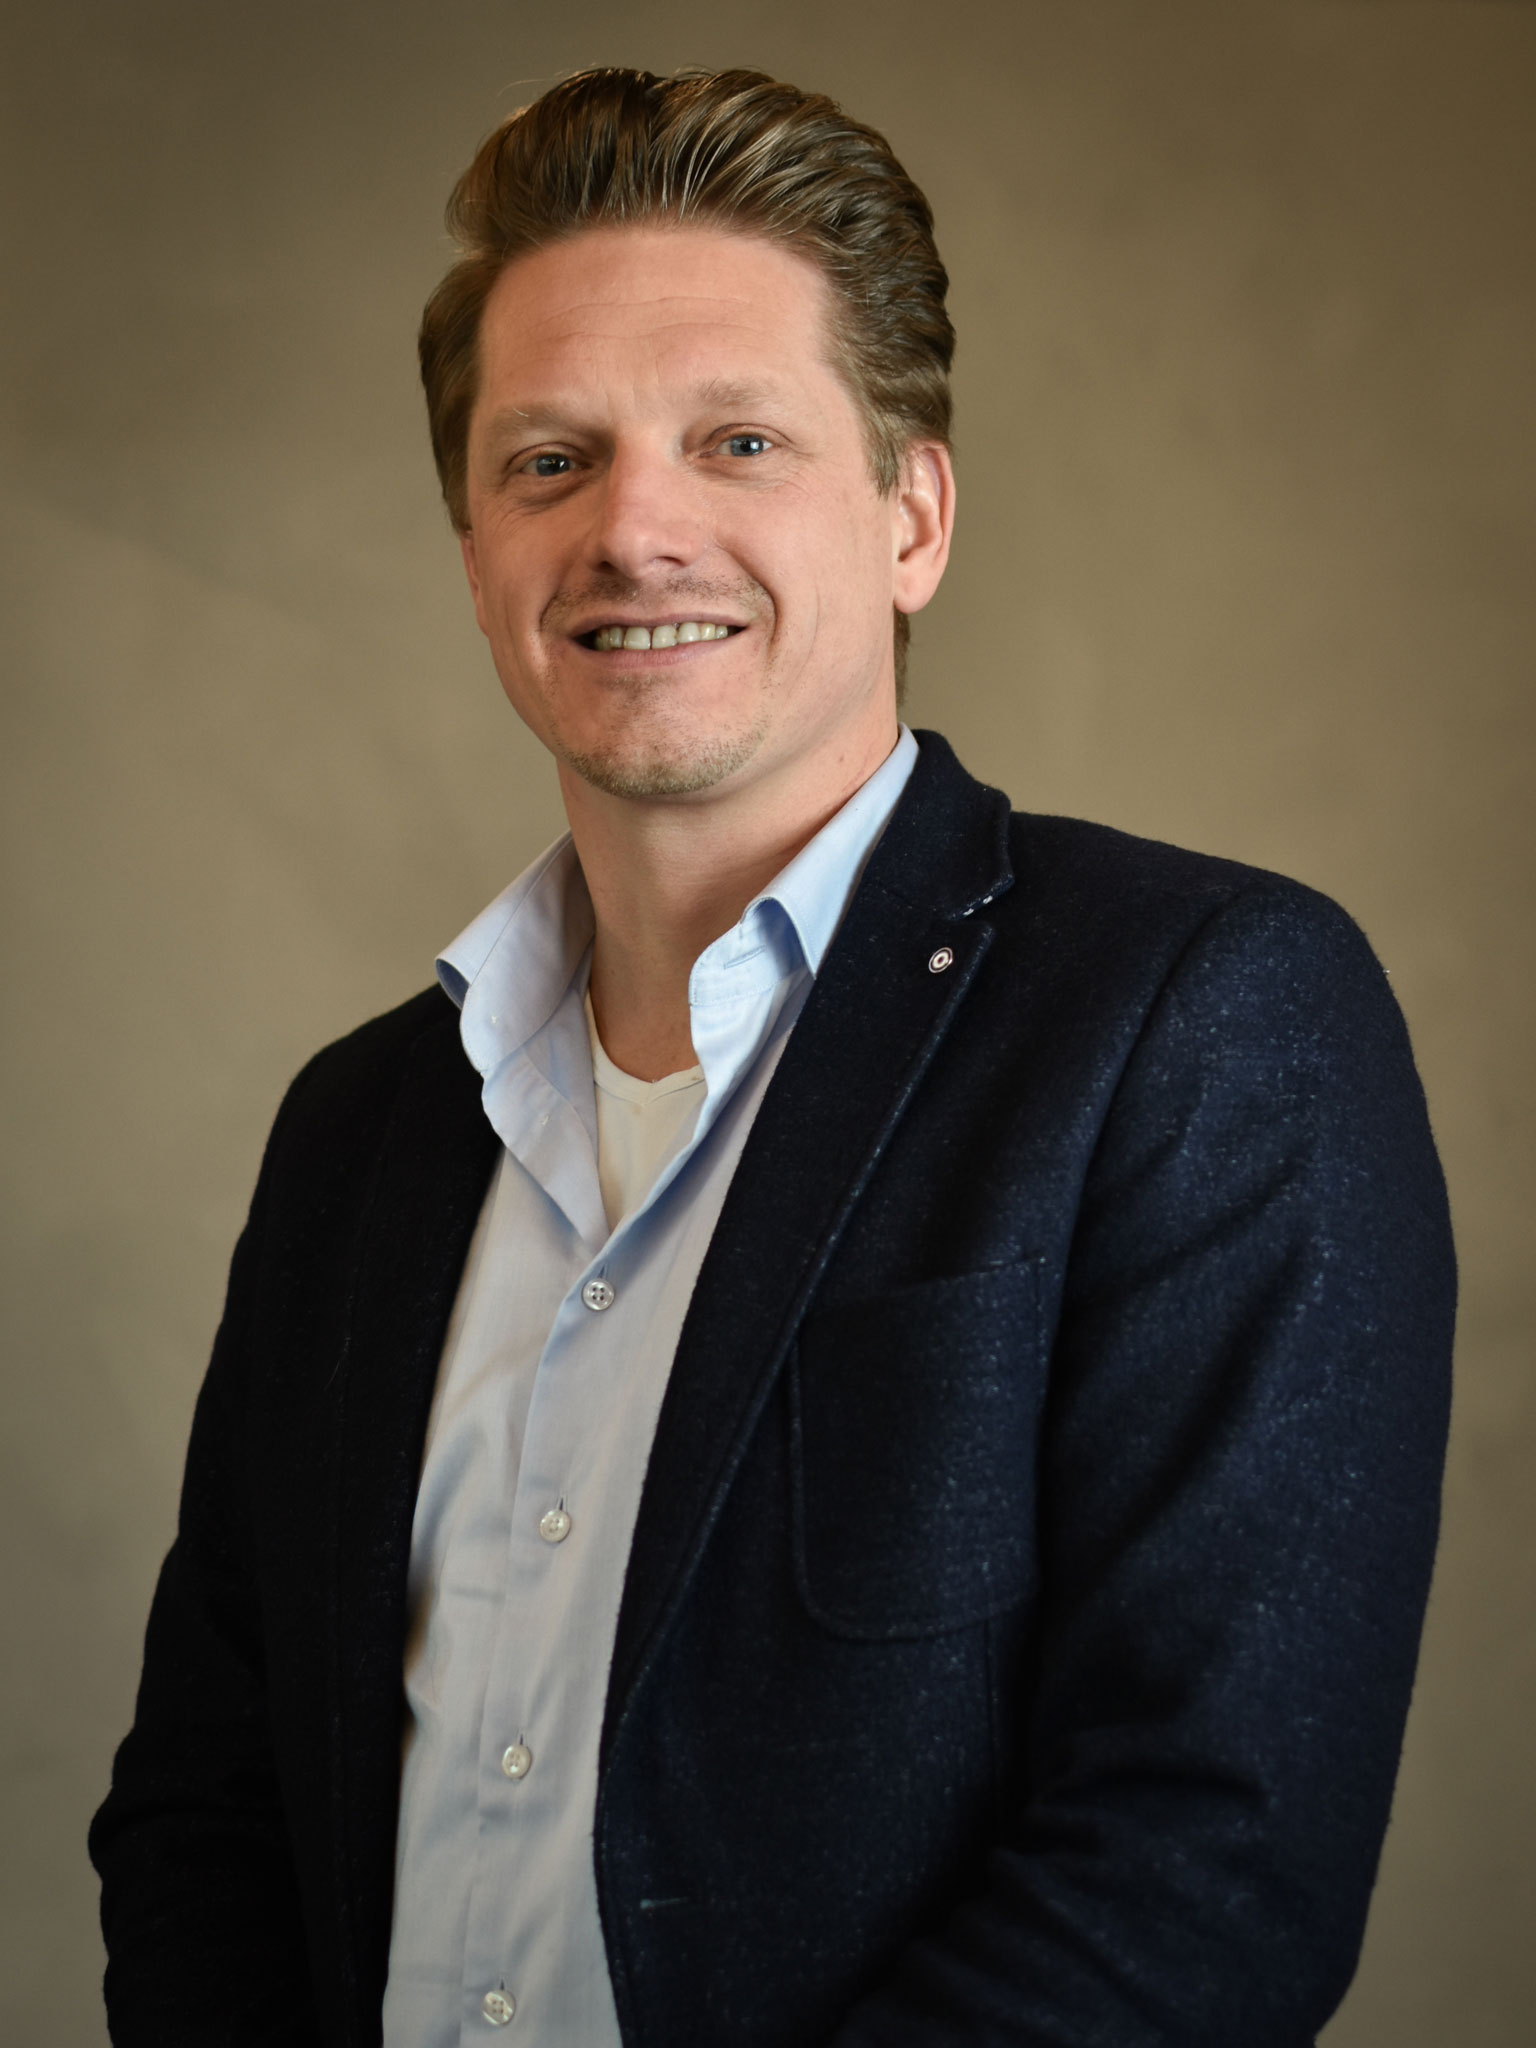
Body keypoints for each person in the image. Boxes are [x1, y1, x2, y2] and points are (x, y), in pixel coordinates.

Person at [89, 66, 1455, 2048]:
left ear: (913, 517)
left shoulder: (1199, 1016)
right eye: (549, 460)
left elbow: (1201, 1873)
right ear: (472, 549)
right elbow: (210, 1816)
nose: (636, 528)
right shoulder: (359, 1130)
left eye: (738, 441)